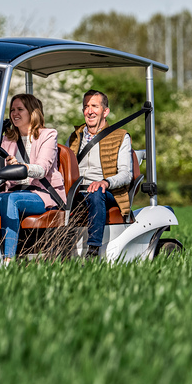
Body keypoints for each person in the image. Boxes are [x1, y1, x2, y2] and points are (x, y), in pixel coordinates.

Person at [0, 94, 66, 261]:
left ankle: (8, 260)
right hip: (14, 191)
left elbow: (42, 169)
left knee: (10, 200)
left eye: (20, 109)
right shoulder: (7, 140)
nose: (14, 113)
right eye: (12, 110)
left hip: (42, 193)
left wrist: (20, 167)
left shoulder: (47, 135)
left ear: (32, 113)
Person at [67, 89, 132, 258]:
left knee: (96, 192)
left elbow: (126, 174)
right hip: (78, 191)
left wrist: (105, 182)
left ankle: (93, 250)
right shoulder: (74, 137)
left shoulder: (121, 136)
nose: (89, 111)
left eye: (94, 106)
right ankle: (54, 249)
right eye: (86, 107)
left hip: (107, 192)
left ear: (105, 111)